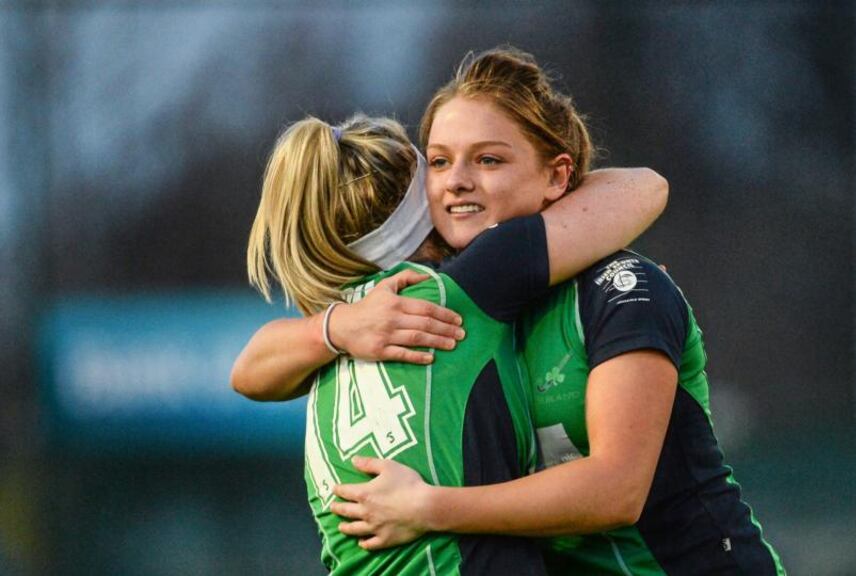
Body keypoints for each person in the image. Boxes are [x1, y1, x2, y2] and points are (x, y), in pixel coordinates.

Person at [326, 48, 787, 575]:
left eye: (489, 159)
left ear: (557, 176)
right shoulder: (449, 303)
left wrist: (429, 506)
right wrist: (334, 328)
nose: (456, 180)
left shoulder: (623, 289)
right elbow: (255, 368)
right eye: (439, 161)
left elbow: (617, 491)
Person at [237, 110, 667, 573]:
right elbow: (644, 187)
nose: (453, 186)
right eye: (437, 169)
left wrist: (336, 328)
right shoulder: (468, 285)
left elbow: (245, 374)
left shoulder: (325, 342)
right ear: (418, 209)